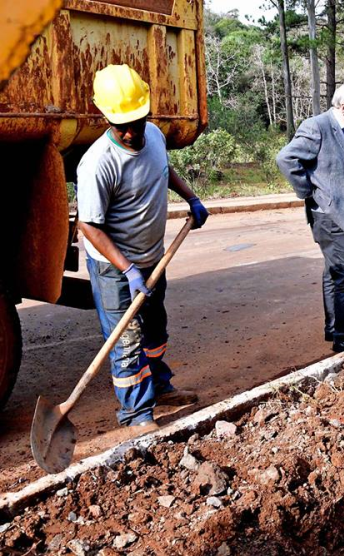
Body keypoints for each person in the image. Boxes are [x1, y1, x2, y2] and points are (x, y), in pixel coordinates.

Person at [77, 64, 209, 430]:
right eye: (122, 125)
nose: (132, 132)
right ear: (105, 117)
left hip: (153, 258)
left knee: (154, 330)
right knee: (127, 341)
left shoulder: (152, 135)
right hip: (116, 269)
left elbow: (163, 168)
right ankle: (136, 414)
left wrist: (191, 197)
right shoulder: (97, 164)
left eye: (137, 121)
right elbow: (88, 225)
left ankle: (160, 387)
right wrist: (128, 269)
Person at [276, 82, 344, 353]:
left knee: (334, 273)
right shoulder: (317, 127)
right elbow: (286, 159)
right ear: (343, 107)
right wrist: (310, 192)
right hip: (330, 217)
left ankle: (334, 329)